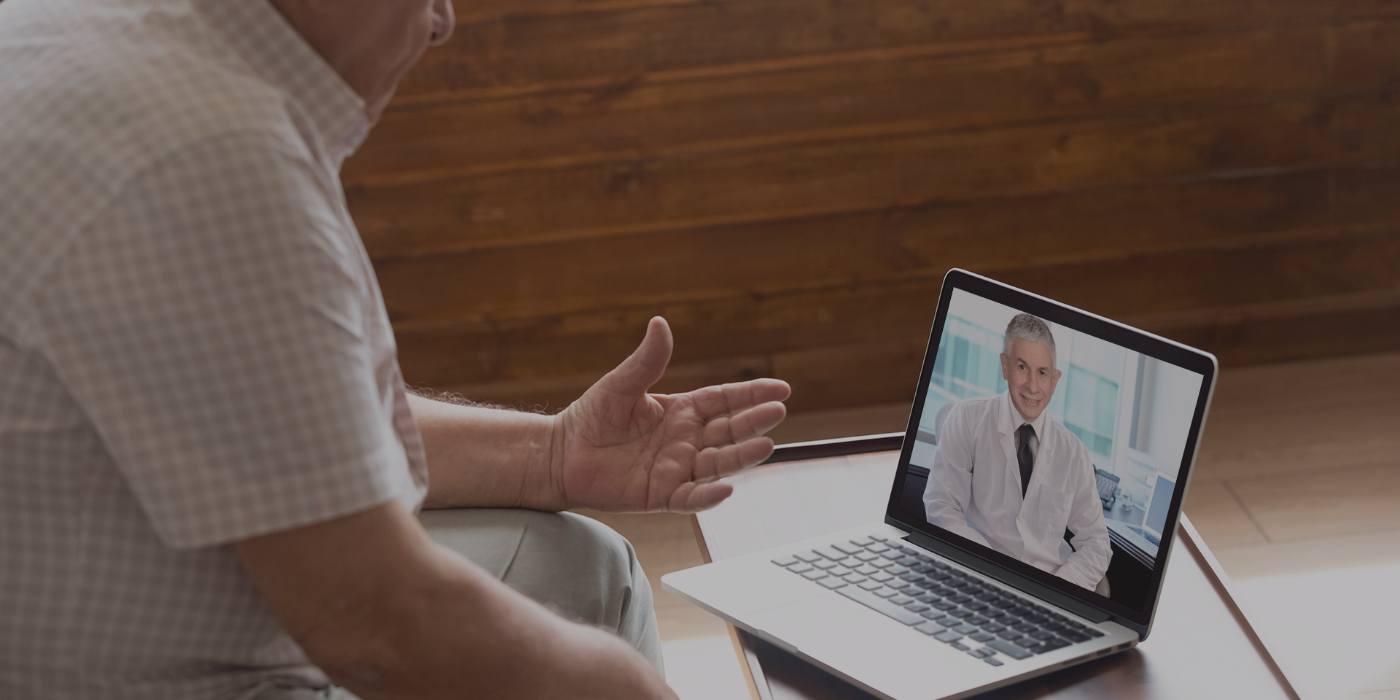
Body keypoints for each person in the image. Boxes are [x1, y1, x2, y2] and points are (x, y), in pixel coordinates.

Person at [0, 1, 791, 698]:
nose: (441, 22)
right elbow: (378, 628)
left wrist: (552, 455)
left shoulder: (92, 28)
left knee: (583, 566)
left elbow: (286, 418)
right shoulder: (209, 156)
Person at [922, 314, 1110, 591]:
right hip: (977, 575)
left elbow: (1096, 542)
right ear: (1004, 366)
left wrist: (1058, 590)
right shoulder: (966, 418)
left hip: (1049, 587)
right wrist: (988, 571)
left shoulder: (1074, 453)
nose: (1033, 386)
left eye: (1043, 373)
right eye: (1022, 367)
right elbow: (941, 506)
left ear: (1055, 380)